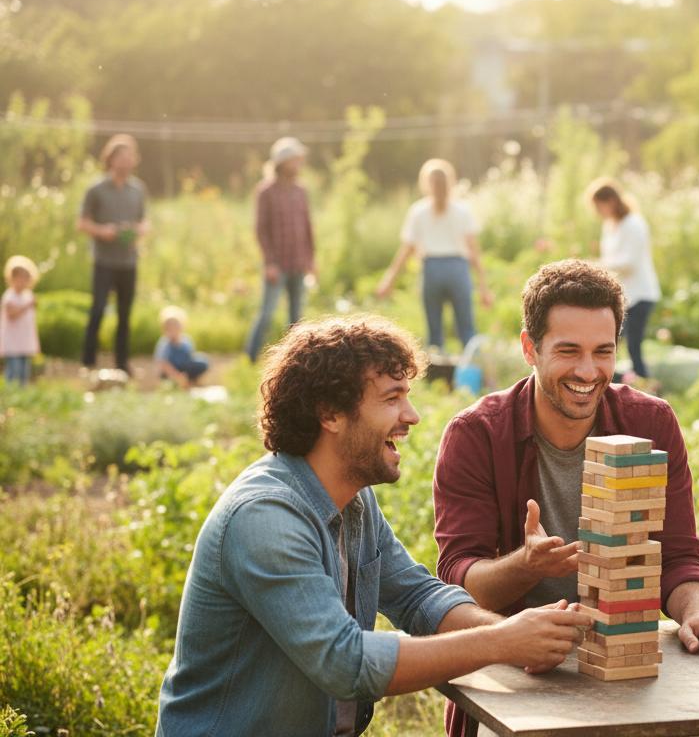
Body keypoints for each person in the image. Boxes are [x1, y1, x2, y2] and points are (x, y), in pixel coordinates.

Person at [157, 315, 592, 735]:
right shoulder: (264, 518)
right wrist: (502, 643)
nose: (412, 416)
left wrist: (515, 633)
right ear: (330, 413)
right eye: (391, 399)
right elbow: (344, 663)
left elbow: (419, 598)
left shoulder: (354, 499)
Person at [434, 260, 699, 737]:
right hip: (516, 681)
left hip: (624, 671)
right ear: (529, 348)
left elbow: (679, 556)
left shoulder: (652, 424)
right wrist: (527, 565)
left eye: (603, 351)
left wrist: (697, 612)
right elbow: (458, 581)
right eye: (568, 351)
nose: (588, 370)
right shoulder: (476, 435)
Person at [376, 159, 492, 352]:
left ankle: (437, 376)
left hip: (432, 270)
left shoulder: (418, 211)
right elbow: (474, 252)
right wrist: (483, 287)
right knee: (467, 329)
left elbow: (406, 250)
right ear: (451, 181)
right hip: (458, 269)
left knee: (435, 333)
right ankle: (474, 375)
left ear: (425, 183)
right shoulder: (463, 211)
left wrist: (389, 279)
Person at [79, 133, 148, 374]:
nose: (128, 161)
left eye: (131, 156)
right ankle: (88, 362)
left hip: (128, 261)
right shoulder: (96, 189)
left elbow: (144, 222)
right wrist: (103, 231)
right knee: (97, 309)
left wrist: (138, 230)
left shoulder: (138, 190)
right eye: (123, 156)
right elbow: (82, 223)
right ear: (111, 159)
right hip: (104, 261)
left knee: (124, 315)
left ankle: (121, 363)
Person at [245, 136, 315, 362]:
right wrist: (269, 263)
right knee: (266, 314)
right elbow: (261, 230)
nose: (298, 164)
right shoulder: (265, 191)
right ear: (283, 162)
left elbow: (307, 227)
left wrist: (311, 259)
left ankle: (295, 362)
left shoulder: (300, 191)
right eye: (295, 160)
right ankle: (250, 358)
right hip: (277, 265)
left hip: (298, 262)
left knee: (296, 318)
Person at [588, 178, 661, 383]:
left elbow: (630, 262)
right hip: (624, 296)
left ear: (610, 201)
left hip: (641, 295)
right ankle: (623, 384)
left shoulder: (634, 224)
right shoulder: (610, 225)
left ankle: (647, 390)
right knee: (610, 345)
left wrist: (599, 264)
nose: (597, 211)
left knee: (632, 347)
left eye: (598, 206)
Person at [2, 255, 40, 386]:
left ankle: (21, 396)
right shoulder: (9, 296)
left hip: (24, 342)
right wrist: (27, 306)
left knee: (24, 372)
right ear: (12, 278)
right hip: (12, 343)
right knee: (14, 370)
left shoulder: (28, 295)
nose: (23, 281)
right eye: (20, 278)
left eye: (26, 278)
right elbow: (11, 314)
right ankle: (9, 393)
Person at [153, 306, 209, 387]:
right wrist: (176, 375)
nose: (173, 329)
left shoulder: (186, 340)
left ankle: (191, 380)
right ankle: (176, 382)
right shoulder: (164, 343)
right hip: (171, 370)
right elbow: (163, 363)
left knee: (202, 361)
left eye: (176, 325)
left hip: (184, 368)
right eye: (169, 326)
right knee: (164, 372)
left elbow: (190, 358)